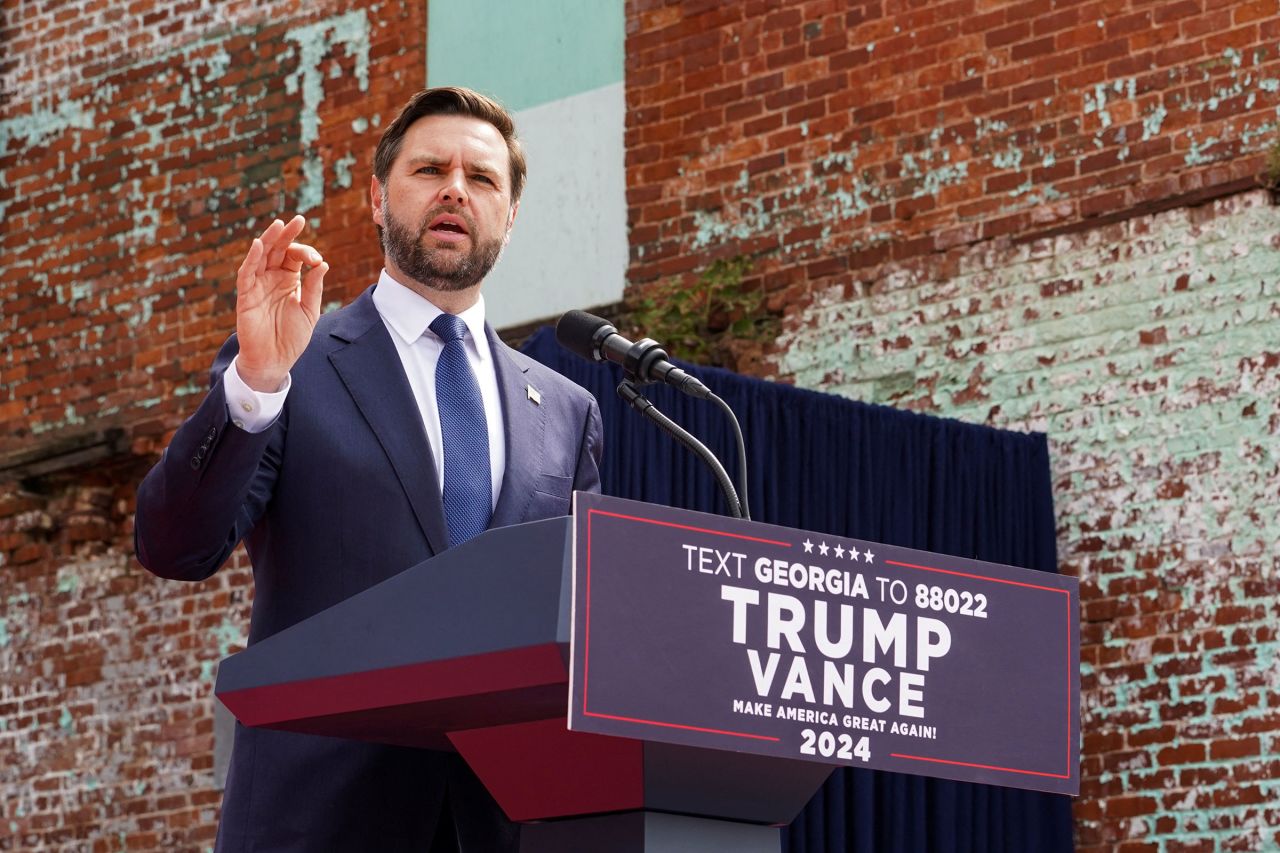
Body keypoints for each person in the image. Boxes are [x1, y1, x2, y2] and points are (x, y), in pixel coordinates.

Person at [134, 87, 603, 852]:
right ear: (379, 199)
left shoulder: (565, 406)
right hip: (319, 819)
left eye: (482, 179)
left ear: (511, 217)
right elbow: (173, 544)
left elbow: (580, 628)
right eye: (429, 169)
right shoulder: (295, 360)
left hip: (504, 824)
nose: (456, 188)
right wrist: (254, 382)